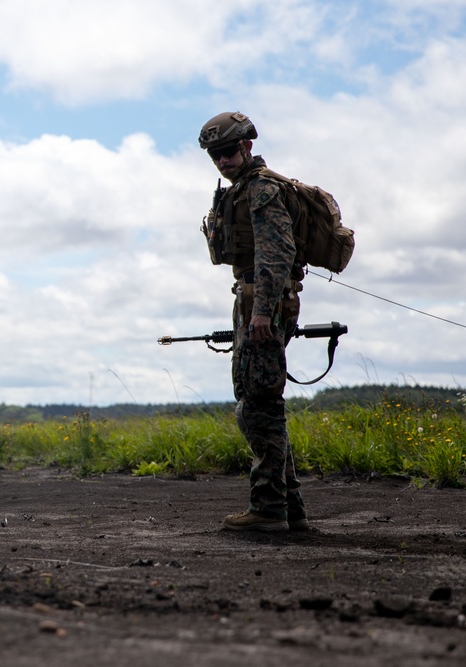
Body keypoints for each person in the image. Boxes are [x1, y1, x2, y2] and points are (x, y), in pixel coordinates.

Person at [197, 111, 309, 532]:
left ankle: (268, 507)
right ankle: (288, 506)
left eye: (227, 151)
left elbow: (275, 253)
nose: (222, 161)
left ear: (246, 146)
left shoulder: (261, 190)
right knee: (258, 399)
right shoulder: (243, 189)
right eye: (215, 156)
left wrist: (262, 310)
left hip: (261, 303)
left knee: (259, 402)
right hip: (252, 300)